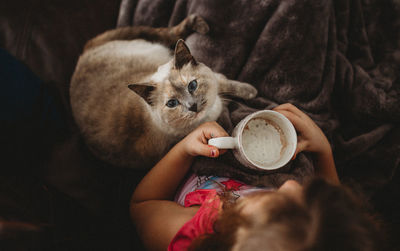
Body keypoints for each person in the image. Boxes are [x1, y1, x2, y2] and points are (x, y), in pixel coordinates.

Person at [130, 103, 382, 251]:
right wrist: (324, 152)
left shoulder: (195, 230)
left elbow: (142, 203)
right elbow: (330, 220)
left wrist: (183, 149)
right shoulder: (320, 235)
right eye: (306, 195)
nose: (291, 184)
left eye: (281, 203)